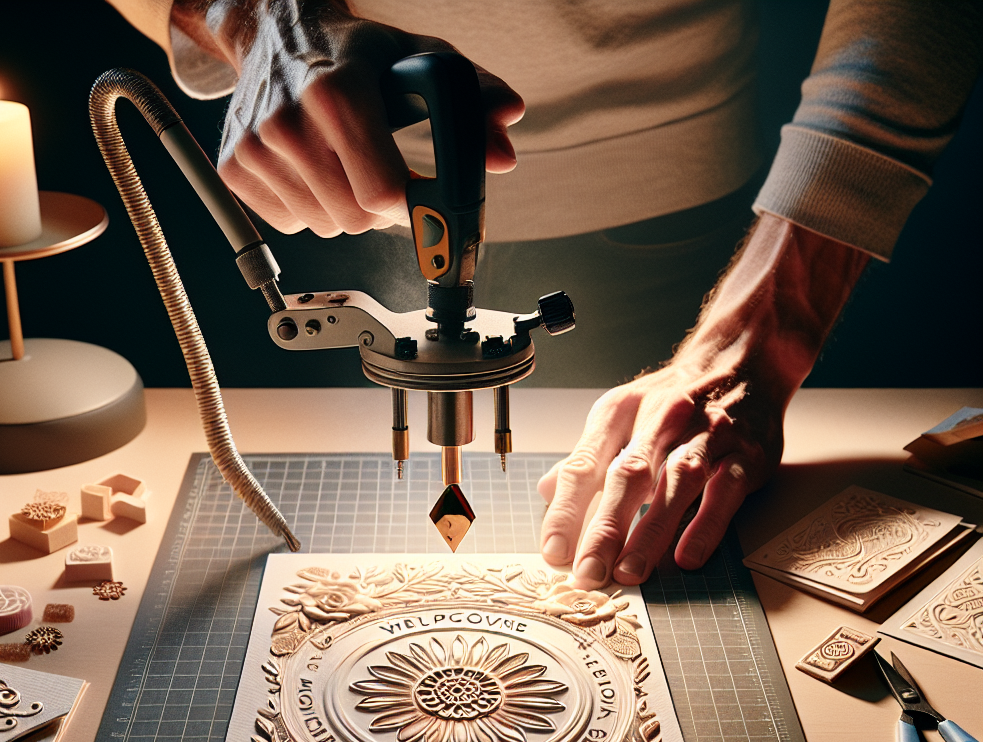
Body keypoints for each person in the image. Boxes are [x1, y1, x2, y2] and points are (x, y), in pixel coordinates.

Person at [109, 0, 982, 587]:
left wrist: (764, 330)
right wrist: (253, 14)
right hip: (314, 166)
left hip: (674, 212)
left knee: (666, 522)